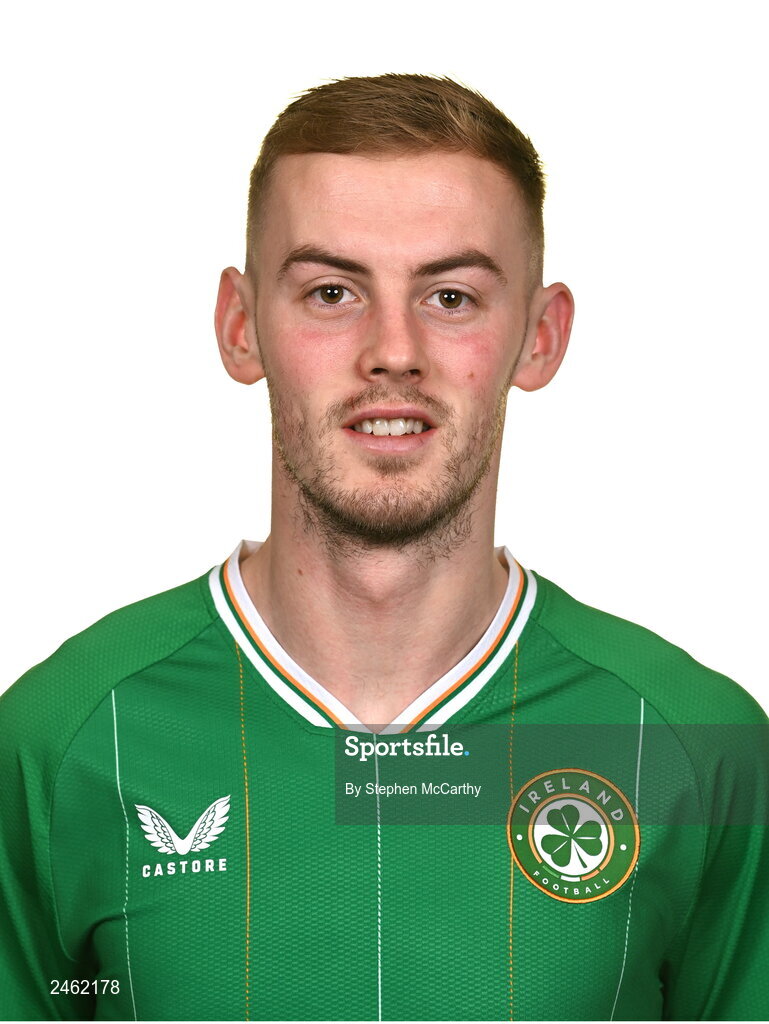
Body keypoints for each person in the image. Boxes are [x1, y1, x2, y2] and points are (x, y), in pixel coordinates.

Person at [0, 74, 767, 1023]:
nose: (392, 350)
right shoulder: (61, 741)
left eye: (450, 295)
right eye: (331, 291)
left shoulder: (694, 746)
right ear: (241, 327)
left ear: (539, 336)